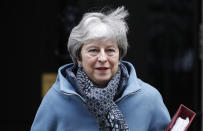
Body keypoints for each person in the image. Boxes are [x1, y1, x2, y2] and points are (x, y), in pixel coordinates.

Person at [31, 6, 171, 131]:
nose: (103, 58)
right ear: (78, 57)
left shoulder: (149, 99)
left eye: (110, 50)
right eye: (93, 50)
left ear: (119, 55)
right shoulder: (56, 100)